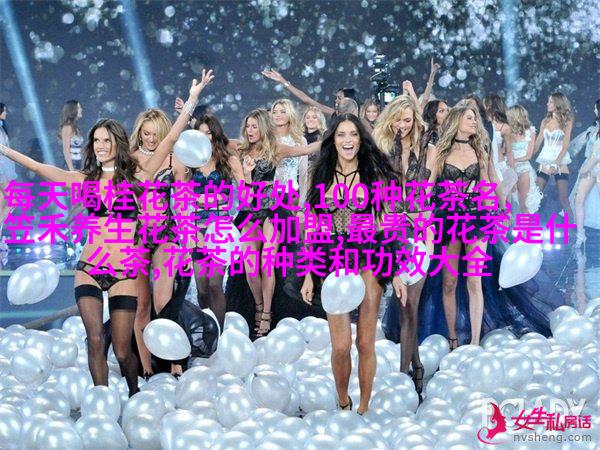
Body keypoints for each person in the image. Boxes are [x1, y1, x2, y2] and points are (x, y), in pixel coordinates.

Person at [0, 117, 175, 397]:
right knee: (95, 340)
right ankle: (101, 398)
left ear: (118, 143)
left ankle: (134, 392)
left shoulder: (138, 177)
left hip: (122, 273)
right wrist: (4, 150)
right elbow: (39, 167)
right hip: (89, 269)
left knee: (122, 350)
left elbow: (170, 140)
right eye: (96, 141)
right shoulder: (84, 179)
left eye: (107, 140)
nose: (101, 146)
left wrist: (192, 101)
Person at [300, 114, 408, 414]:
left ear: (361, 139)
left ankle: (363, 407)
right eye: (341, 135)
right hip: (333, 259)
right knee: (340, 346)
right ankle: (343, 401)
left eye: (353, 134)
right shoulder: (320, 175)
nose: (348, 140)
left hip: (370, 257)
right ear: (333, 140)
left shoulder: (373, 174)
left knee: (365, 342)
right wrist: (309, 274)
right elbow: (313, 227)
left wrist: (395, 272)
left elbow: (386, 223)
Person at [129, 70, 213, 379]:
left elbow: (183, 201)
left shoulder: (173, 159)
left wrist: (189, 239)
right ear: (139, 133)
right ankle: (147, 368)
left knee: (164, 300)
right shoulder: (130, 160)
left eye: (156, 134)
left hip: (167, 234)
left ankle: (176, 362)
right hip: (136, 237)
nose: (151, 139)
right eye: (146, 134)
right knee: (141, 305)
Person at [229, 109, 322, 337]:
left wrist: (334, 136)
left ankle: (267, 313)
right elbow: (244, 196)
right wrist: (247, 174)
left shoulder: (275, 149)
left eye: (254, 126)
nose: (250, 131)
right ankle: (259, 306)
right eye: (248, 126)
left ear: (263, 127)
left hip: (273, 210)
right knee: (251, 267)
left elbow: (306, 150)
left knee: (267, 261)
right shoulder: (240, 151)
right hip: (250, 211)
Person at [372, 95, 437, 396]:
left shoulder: (429, 151)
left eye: (407, 120)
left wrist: (429, 234)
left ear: (415, 121)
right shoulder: (383, 151)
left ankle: (407, 371)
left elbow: (427, 197)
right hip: (393, 233)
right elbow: (379, 198)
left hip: (419, 233)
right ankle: (413, 368)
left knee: (412, 306)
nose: (402, 125)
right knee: (402, 306)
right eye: (397, 119)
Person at [431, 105, 504, 349]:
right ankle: (452, 338)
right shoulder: (440, 152)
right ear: (457, 121)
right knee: (449, 282)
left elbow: (485, 186)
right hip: (448, 219)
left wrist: (495, 210)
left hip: (477, 218)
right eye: (470, 118)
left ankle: (474, 341)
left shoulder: (480, 150)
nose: (475, 122)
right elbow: (429, 186)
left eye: (475, 118)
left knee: (475, 281)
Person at [190, 114, 245, 330]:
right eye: (200, 133)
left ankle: (219, 334)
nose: (204, 137)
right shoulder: (190, 163)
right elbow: (182, 195)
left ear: (215, 135)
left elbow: (243, 193)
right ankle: (207, 331)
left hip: (220, 229)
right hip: (197, 229)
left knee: (215, 284)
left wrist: (246, 175)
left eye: (208, 133)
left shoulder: (228, 161)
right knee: (202, 288)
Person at [534, 92, 574, 218]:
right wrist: (527, 153)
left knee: (563, 199)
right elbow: (538, 143)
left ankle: (573, 226)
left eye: (550, 102)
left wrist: (555, 164)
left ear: (558, 103)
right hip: (545, 159)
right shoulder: (545, 121)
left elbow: (565, 145)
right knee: (535, 195)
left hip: (560, 160)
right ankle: (528, 226)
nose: (547, 104)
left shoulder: (567, 121)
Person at [570, 99, 600, 249]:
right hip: (589, 167)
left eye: (596, 108)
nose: (594, 111)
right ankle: (580, 236)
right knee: (579, 199)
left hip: (595, 166)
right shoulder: (594, 129)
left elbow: (596, 154)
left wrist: (586, 168)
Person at [262, 69, 353, 118]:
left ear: (349, 101)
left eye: (339, 98)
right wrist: (282, 80)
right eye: (336, 97)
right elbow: (306, 99)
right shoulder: (335, 113)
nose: (336, 100)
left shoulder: (358, 118)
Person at [506, 105, 543, 214]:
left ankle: (524, 226)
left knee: (524, 204)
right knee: (506, 204)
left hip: (523, 168)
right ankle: (506, 224)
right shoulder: (507, 132)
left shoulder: (530, 131)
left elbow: (528, 155)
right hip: (508, 168)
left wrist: (514, 160)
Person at [0, 103, 17, 233]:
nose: (6, 113)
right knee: (12, 201)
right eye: (4, 111)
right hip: (2, 169)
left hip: (6, 168)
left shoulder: (2, 128)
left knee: (3, 203)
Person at [59, 100, 84, 171]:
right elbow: (66, 151)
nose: (81, 110)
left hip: (78, 163)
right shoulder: (67, 127)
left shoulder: (75, 128)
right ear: (73, 110)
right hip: (71, 165)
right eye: (78, 108)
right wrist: (71, 170)